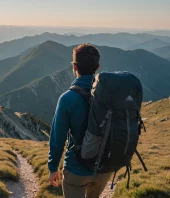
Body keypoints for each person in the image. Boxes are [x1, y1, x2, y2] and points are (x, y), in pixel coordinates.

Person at [48, 44, 112, 198]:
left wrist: (53, 167)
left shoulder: (67, 99)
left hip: (77, 168)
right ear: (97, 66)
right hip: (105, 167)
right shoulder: (110, 95)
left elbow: (58, 137)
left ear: (74, 67)